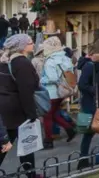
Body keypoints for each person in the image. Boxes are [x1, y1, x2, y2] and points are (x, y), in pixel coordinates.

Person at [0, 34, 38, 177]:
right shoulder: (22, 63)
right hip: (17, 110)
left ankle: (31, 174)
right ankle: (31, 174)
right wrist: (31, 114)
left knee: (6, 143)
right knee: (26, 145)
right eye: (30, 42)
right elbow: (26, 91)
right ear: (21, 46)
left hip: (5, 109)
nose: (33, 43)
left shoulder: (4, 60)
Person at [76, 39, 99, 170]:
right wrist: (96, 90)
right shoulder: (90, 65)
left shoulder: (97, 64)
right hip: (90, 104)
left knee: (90, 133)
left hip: (92, 103)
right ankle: (84, 159)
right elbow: (82, 85)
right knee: (88, 132)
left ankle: (85, 159)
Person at [40, 37, 76, 149]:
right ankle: (70, 129)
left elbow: (52, 78)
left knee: (47, 116)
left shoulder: (50, 61)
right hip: (63, 91)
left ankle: (48, 141)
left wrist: (41, 80)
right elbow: (70, 73)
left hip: (52, 92)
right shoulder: (65, 58)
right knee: (54, 114)